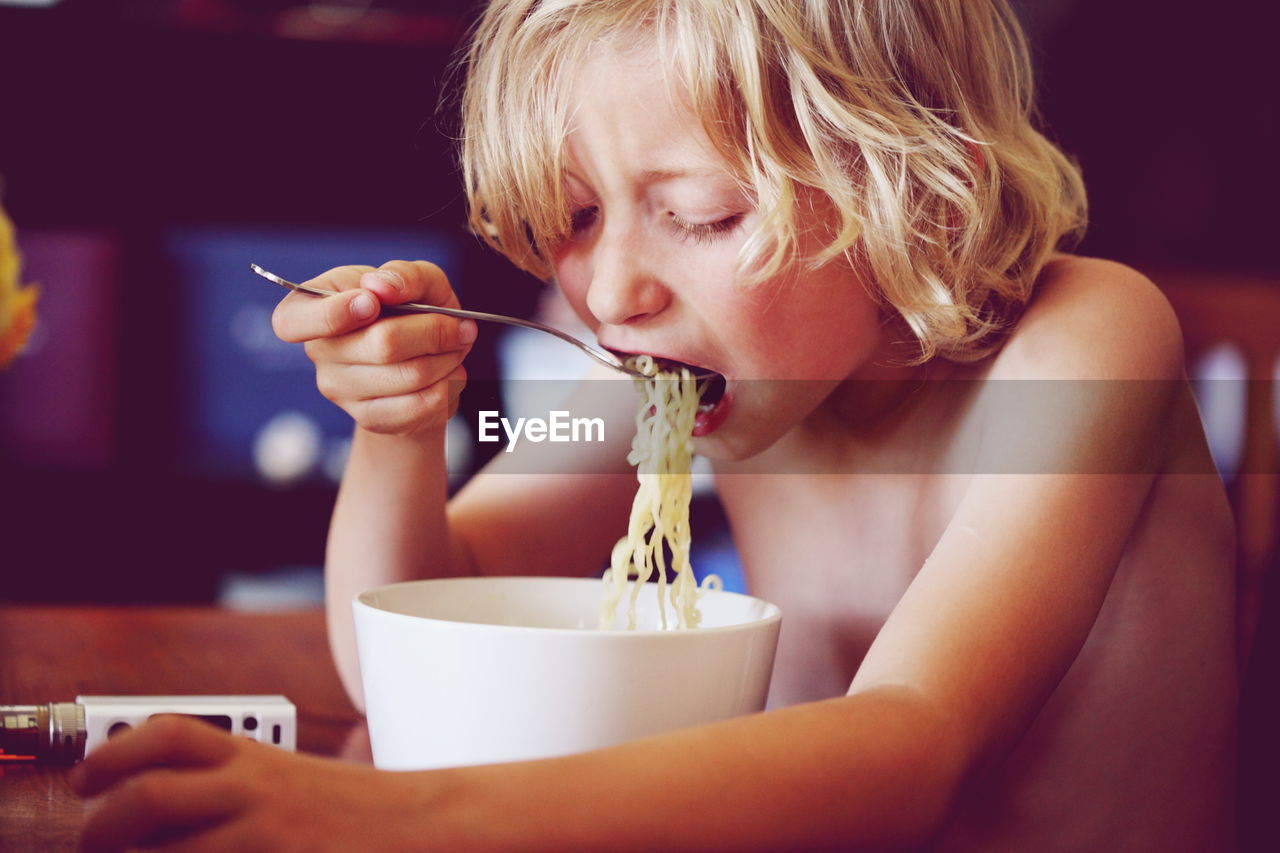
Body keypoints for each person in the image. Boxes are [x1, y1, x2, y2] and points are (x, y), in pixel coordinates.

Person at [72, 1, 1237, 849]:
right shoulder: (655, 391)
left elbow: (910, 744)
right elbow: (414, 639)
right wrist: (400, 434)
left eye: (700, 215)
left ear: (920, 200)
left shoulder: (1086, 348)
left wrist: (398, 818)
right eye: (576, 215)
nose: (612, 290)